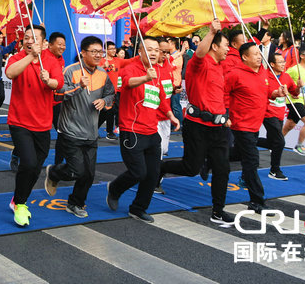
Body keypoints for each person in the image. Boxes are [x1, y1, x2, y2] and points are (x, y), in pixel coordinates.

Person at [157, 19, 235, 226]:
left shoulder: (221, 66)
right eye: (225, 46)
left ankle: (218, 211)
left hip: (218, 128)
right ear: (215, 46)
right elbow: (200, 52)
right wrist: (210, 32)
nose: (227, 49)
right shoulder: (198, 63)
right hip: (197, 126)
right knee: (191, 168)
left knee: (222, 169)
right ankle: (162, 168)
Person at [107, 36, 179, 222]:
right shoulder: (131, 69)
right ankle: (114, 189)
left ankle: (138, 208)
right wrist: (146, 77)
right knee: (138, 172)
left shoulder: (157, 72)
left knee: (153, 174)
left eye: (156, 49)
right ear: (140, 51)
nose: (154, 52)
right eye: (149, 49)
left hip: (151, 130)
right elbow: (128, 83)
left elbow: (161, 97)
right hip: (131, 130)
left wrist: (171, 115)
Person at [44, 36, 114, 218]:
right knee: (76, 171)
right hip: (71, 130)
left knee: (89, 175)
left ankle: (75, 203)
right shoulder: (70, 71)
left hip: (91, 132)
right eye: (94, 51)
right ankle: (54, 172)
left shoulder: (103, 74)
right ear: (83, 53)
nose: (98, 55)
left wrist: (104, 100)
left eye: (101, 52)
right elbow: (58, 94)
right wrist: (78, 86)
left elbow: (111, 95)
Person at [5, 24, 62, 227]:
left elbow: (59, 83)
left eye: (34, 38)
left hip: (43, 123)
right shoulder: (17, 57)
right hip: (19, 121)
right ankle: (20, 204)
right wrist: (31, 57)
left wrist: (49, 81)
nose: (30, 41)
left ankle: (18, 198)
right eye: (27, 37)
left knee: (36, 167)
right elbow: (11, 73)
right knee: (28, 163)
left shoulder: (51, 61)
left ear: (44, 42)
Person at [224, 42, 281, 213]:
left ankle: (211, 159)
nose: (259, 56)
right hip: (241, 124)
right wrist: (226, 115)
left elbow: (266, 92)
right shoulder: (235, 74)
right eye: (255, 53)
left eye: (259, 53)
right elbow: (224, 93)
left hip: (256, 124)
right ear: (244, 57)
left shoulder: (263, 72)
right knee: (252, 161)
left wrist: (276, 93)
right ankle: (257, 200)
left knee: (237, 154)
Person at [259, 52, 299, 181]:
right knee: (280, 141)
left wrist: (298, 86)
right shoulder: (264, 75)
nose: (283, 64)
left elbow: (295, 93)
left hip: (280, 113)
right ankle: (275, 170)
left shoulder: (286, 76)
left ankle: (248, 140)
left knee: (272, 143)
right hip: (267, 112)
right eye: (280, 62)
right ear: (272, 64)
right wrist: (275, 93)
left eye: (283, 61)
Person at [284, 47, 305, 155]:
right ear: (302, 56)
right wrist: (291, 91)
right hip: (294, 101)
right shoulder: (294, 69)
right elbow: (284, 80)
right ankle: (299, 145)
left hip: (303, 100)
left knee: (290, 124)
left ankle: (275, 143)